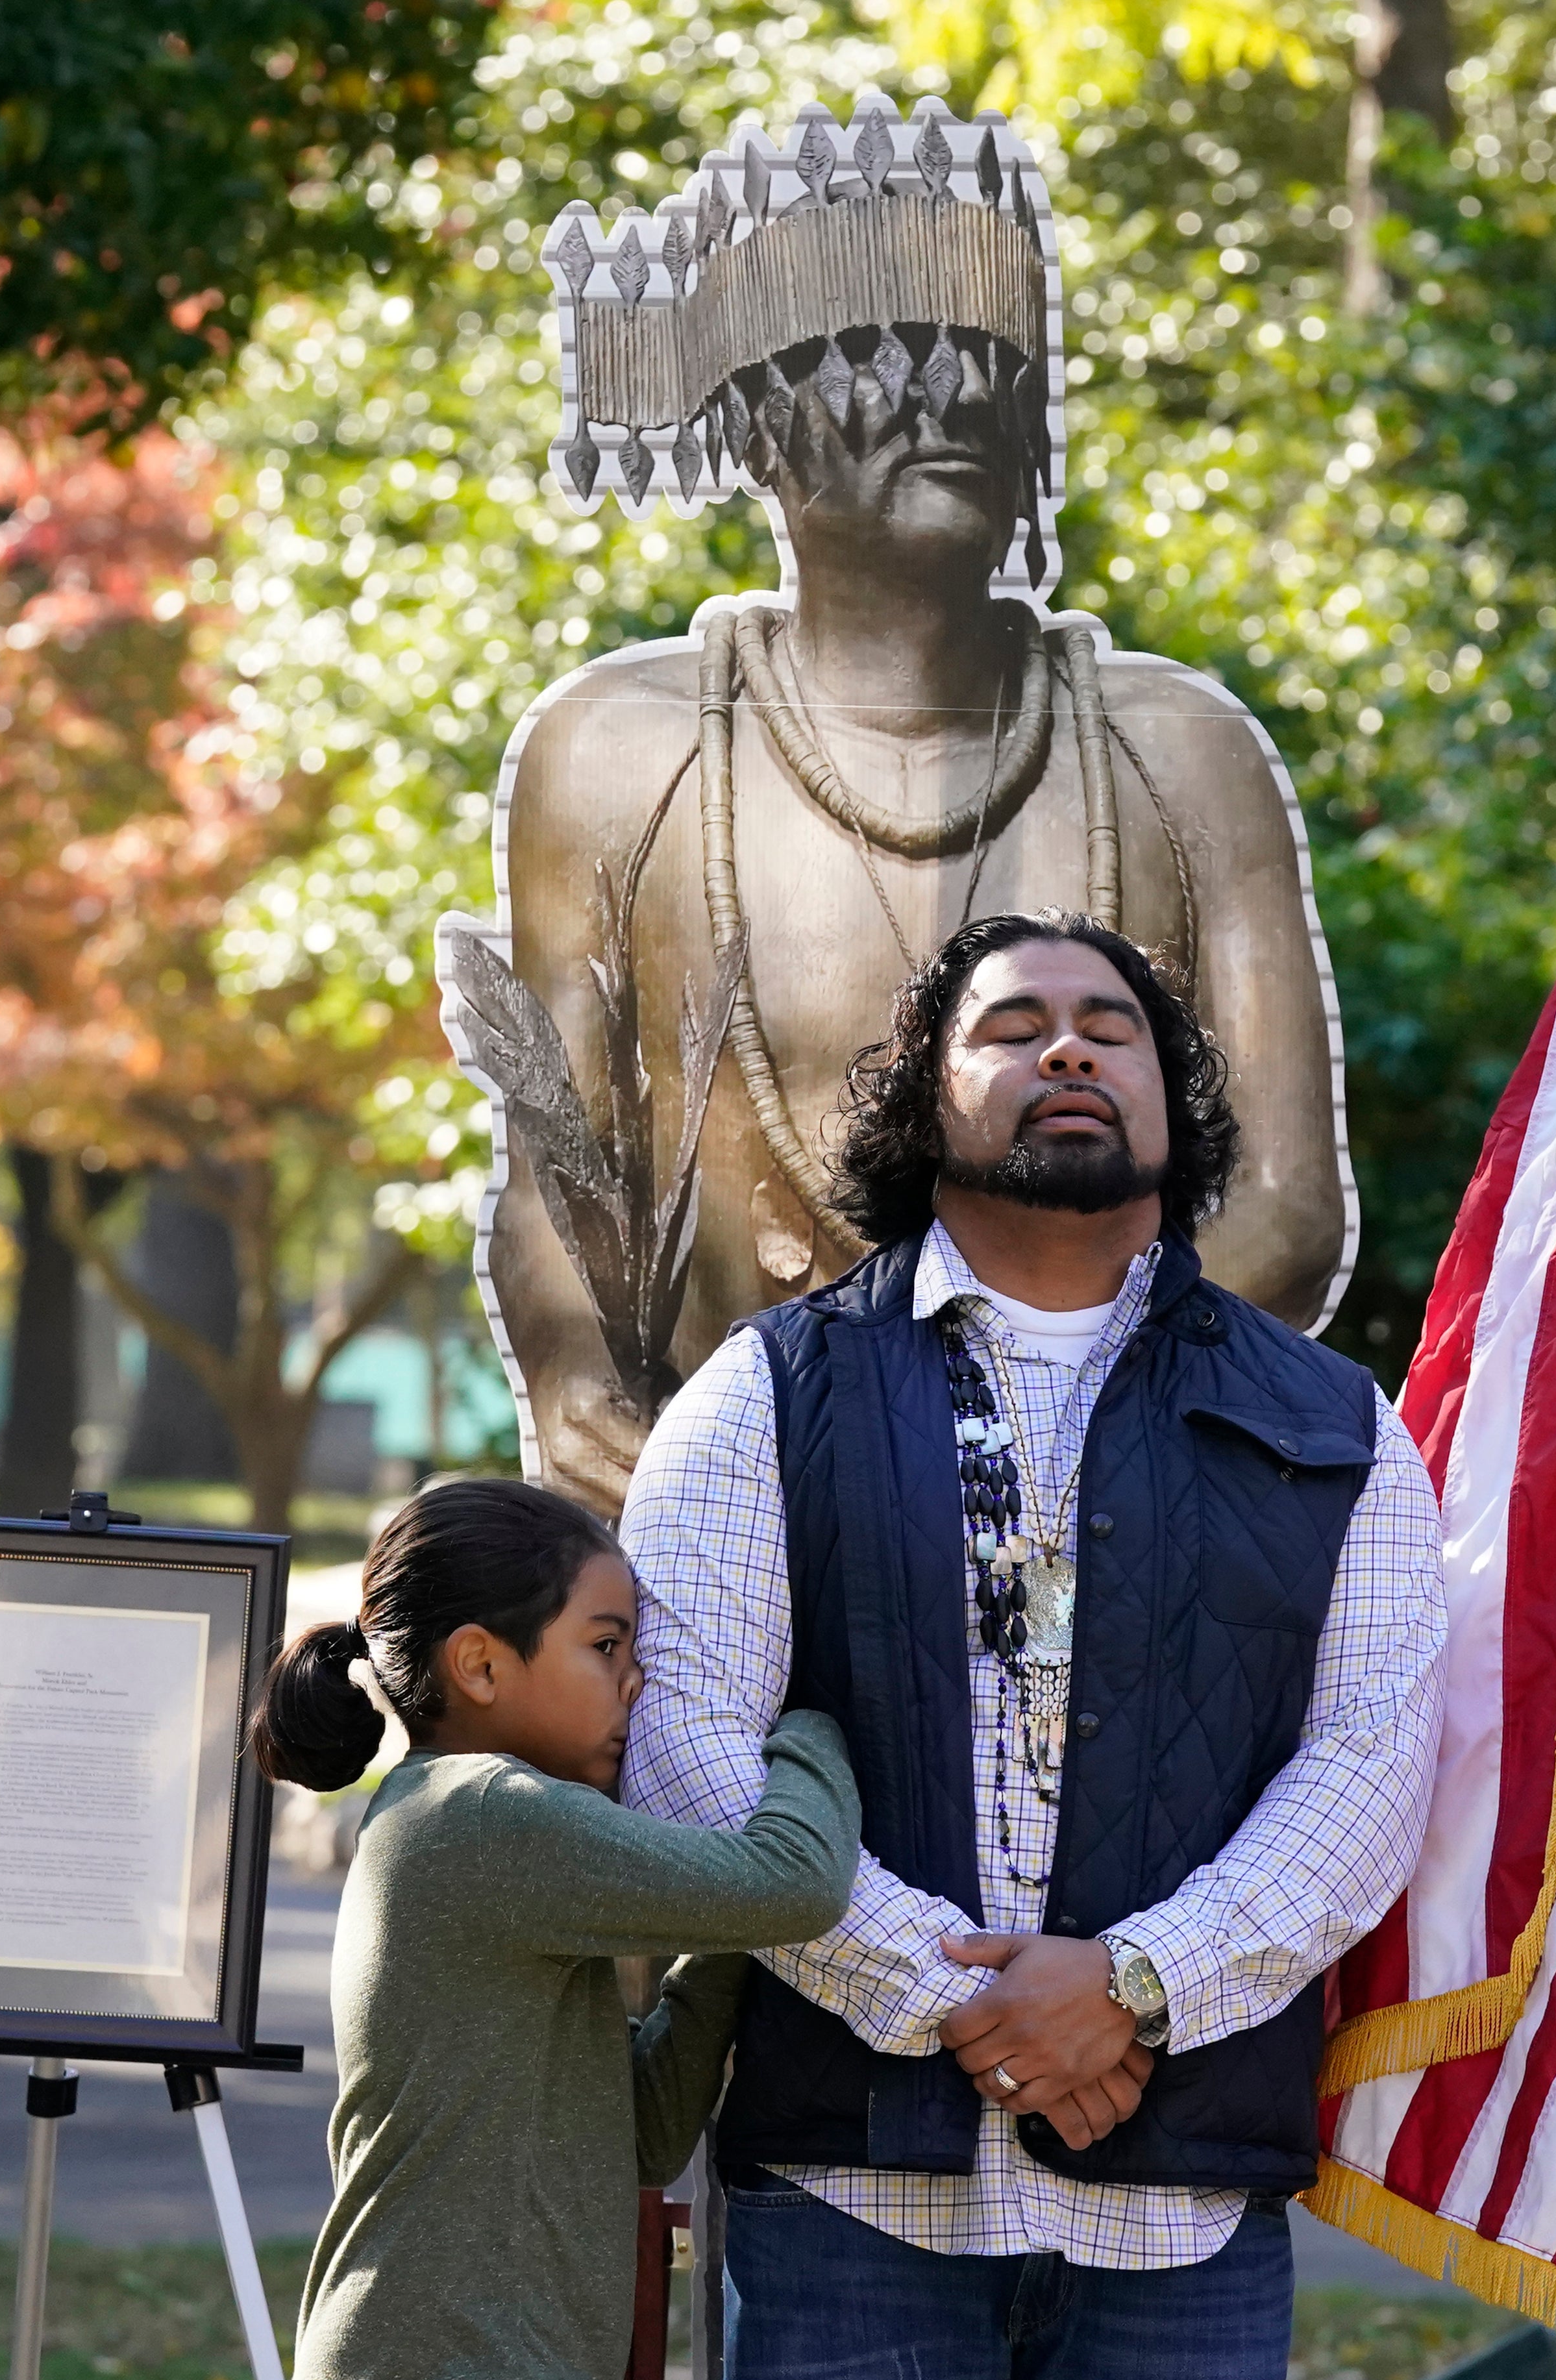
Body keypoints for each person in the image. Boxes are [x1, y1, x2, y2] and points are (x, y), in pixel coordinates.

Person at [473, 99, 1352, 1516]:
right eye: (878, 363)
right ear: (760, 427)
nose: (944, 404)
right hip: (727, 1487)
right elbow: (559, 1170)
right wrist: (582, 1379)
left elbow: (1287, 1210)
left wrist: (1029, 1423)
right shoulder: (622, 749)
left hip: (1109, 1491)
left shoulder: (1176, 751)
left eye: (984, 370)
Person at [620, 913, 1448, 2380]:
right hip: (854, 2189)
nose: (1064, 1047)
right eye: (1009, 1026)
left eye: (1107, 1025)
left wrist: (1133, 1983)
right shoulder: (765, 1391)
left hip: (1179, 2209)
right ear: (926, 1096)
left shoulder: (1336, 1422)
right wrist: (967, 2008)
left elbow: (1373, 1767)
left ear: (1169, 1098)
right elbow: (691, 1748)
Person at [259, 1478, 862, 2380]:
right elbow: (800, 1882)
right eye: (606, 1646)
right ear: (481, 1666)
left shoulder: (462, 1829)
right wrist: (812, 1712)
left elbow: (648, 2132)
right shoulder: (483, 1817)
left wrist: (729, 1931)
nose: (636, 1680)